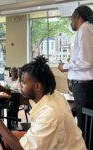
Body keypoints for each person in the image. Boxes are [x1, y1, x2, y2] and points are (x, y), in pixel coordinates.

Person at [0, 55, 86, 150]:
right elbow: (25, 99)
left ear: (38, 86)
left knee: (10, 140)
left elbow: (21, 149)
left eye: (23, 83)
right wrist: (5, 89)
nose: (20, 86)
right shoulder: (52, 95)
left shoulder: (50, 114)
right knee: (13, 136)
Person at [58, 5, 93, 137]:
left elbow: (86, 61)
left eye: (71, 18)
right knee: (84, 122)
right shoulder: (88, 30)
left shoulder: (85, 29)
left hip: (84, 86)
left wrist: (65, 66)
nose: (70, 22)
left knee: (85, 125)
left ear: (77, 16)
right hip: (85, 86)